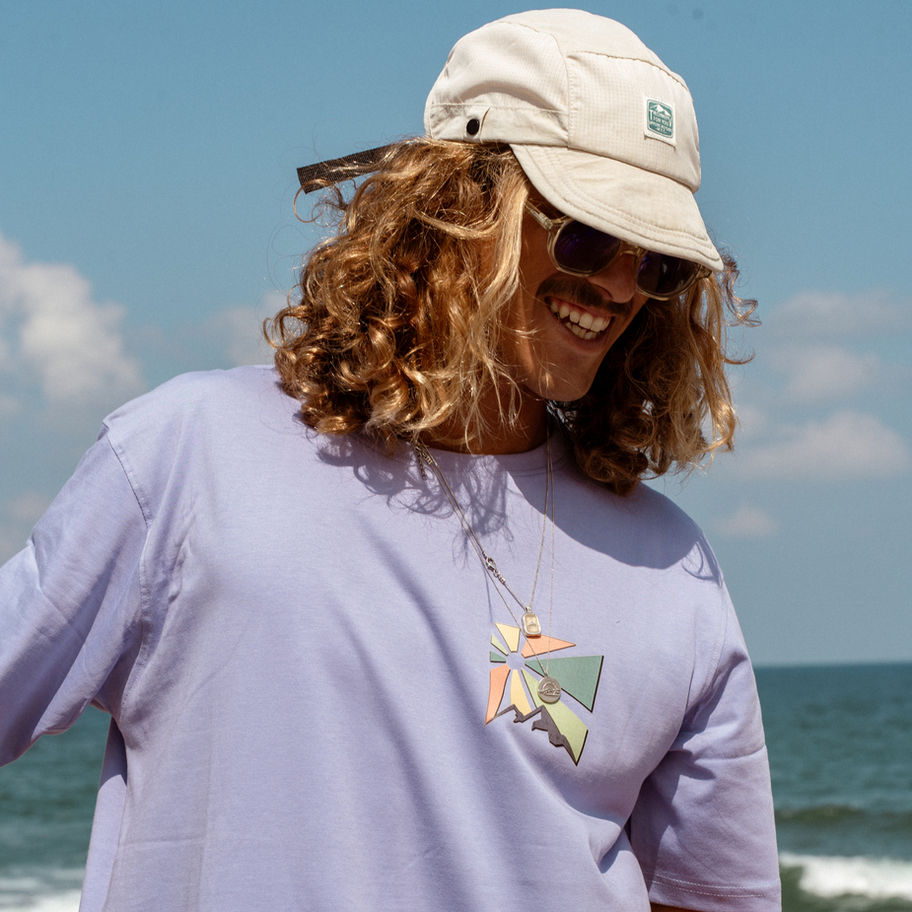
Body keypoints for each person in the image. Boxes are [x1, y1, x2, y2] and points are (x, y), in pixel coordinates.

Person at [0, 10, 781, 911]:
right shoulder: (186, 457)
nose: (615, 283)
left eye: (656, 264)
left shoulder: (673, 570)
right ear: (454, 207)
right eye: (583, 232)